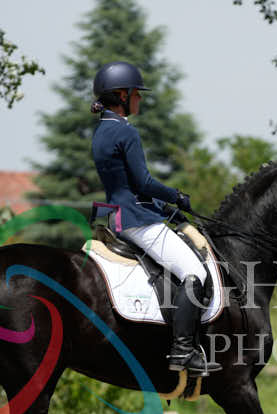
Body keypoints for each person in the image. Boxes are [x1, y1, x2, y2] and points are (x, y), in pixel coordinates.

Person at [90, 61, 220, 376]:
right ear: (121, 95)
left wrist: (164, 209)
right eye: (136, 93)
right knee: (194, 272)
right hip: (138, 221)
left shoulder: (101, 131)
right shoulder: (125, 131)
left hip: (117, 217)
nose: (140, 98)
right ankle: (183, 350)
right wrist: (176, 196)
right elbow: (143, 183)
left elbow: (124, 187)